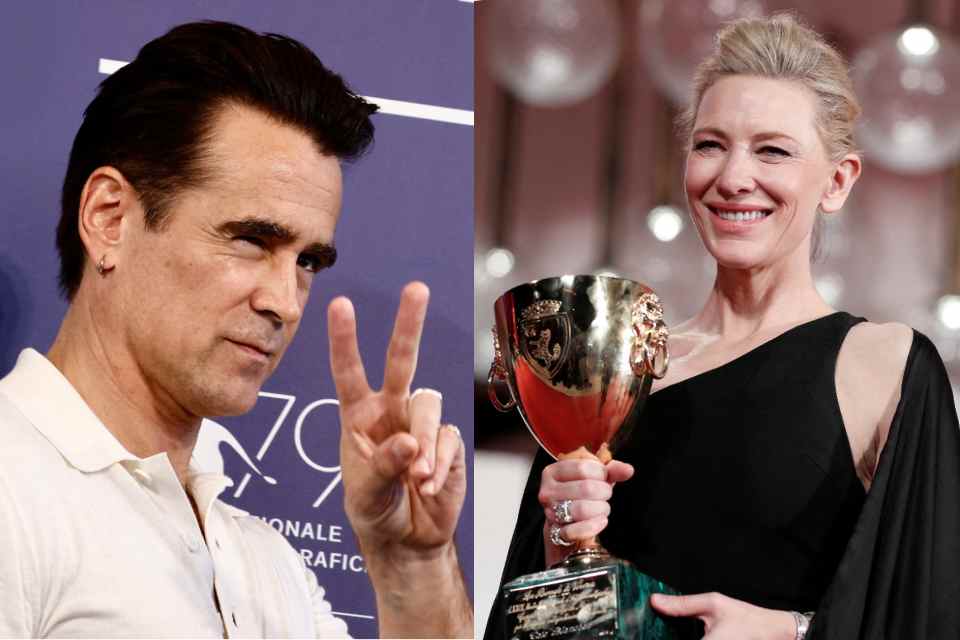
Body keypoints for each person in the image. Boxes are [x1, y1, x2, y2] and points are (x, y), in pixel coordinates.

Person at [487, 12, 960, 640]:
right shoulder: (615, 374)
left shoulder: (883, 365)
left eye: (773, 151)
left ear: (837, 181)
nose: (733, 178)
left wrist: (789, 631)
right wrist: (559, 543)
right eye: (710, 145)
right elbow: (543, 623)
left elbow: (927, 617)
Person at [0, 21, 472, 638]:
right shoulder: (12, 487)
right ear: (110, 219)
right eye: (250, 240)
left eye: (308, 261)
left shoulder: (268, 564)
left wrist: (413, 565)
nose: (286, 303)